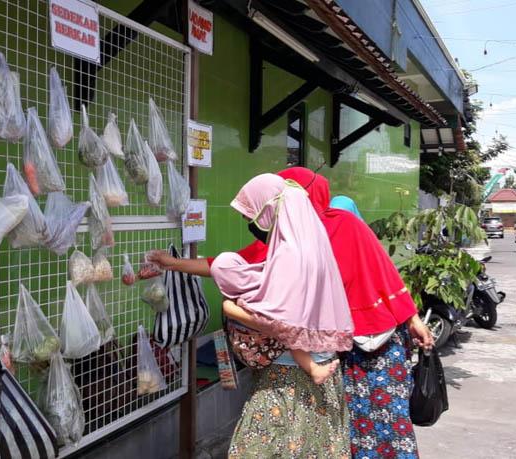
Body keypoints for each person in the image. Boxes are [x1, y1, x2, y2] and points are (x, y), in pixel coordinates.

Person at [149, 167, 433, 458]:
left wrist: (411, 318)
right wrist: (173, 263)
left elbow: (381, 272)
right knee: (340, 430)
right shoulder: (289, 238)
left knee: (379, 422)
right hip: (331, 352)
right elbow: (230, 266)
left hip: (371, 342)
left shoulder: (328, 231)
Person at [211, 174, 353, 458]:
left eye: (252, 213)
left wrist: (231, 309)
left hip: (288, 379)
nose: (250, 223)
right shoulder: (313, 247)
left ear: (270, 208)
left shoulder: (290, 254)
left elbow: (281, 324)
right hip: (321, 370)